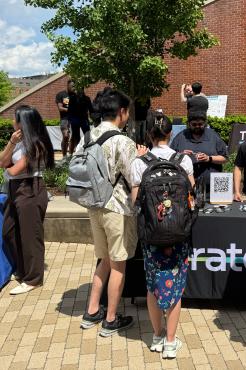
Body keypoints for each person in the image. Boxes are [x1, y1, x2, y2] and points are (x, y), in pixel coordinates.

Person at [131, 112, 194, 359]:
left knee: (152, 285)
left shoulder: (140, 162)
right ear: (170, 133)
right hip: (179, 234)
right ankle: (170, 342)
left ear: (149, 134)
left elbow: (135, 201)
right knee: (176, 289)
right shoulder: (183, 161)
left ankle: (157, 335)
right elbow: (191, 197)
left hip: (151, 236)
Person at [79, 89, 142, 337]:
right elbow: (133, 178)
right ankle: (111, 319)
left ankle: (92, 310)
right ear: (122, 112)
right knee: (118, 265)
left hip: (94, 206)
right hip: (117, 208)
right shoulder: (122, 141)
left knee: (103, 260)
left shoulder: (86, 136)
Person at [1, 105, 54, 295]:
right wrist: (11, 144)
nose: (12, 122)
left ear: (23, 122)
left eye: (15, 119)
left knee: (31, 236)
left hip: (30, 189)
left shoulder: (36, 144)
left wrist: (6, 164)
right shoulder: (18, 142)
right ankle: (23, 271)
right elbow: (2, 162)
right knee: (8, 230)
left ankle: (33, 278)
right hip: (15, 189)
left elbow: (12, 170)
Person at [170, 111, 228, 189]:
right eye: (194, 124)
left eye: (200, 124)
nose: (197, 126)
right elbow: (170, 160)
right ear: (188, 124)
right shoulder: (180, 137)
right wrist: (180, 155)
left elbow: (225, 158)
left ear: (205, 123)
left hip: (212, 187)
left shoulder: (213, 136)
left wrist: (209, 158)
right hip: (186, 187)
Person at [68, 85, 93, 153]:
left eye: (80, 89)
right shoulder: (72, 98)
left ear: (82, 90)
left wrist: (92, 117)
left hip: (83, 119)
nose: (79, 91)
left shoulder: (87, 99)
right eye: (78, 90)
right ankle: (78, 150)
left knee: (87, 133)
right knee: (76, 136)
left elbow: (91, 110)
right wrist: (69, 121)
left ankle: (87, 149)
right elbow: (69, 110)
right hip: (75, 119)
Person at [55, 79, 75, 159]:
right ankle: (64, 156)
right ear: (67, 86)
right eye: (72, 86)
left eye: (75, 86)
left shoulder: (76, 96)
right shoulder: (61, 95)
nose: (73, 88)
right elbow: (60, 108)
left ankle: (70, 155)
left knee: (74, 137)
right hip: (65, 118)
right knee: (66, 136)